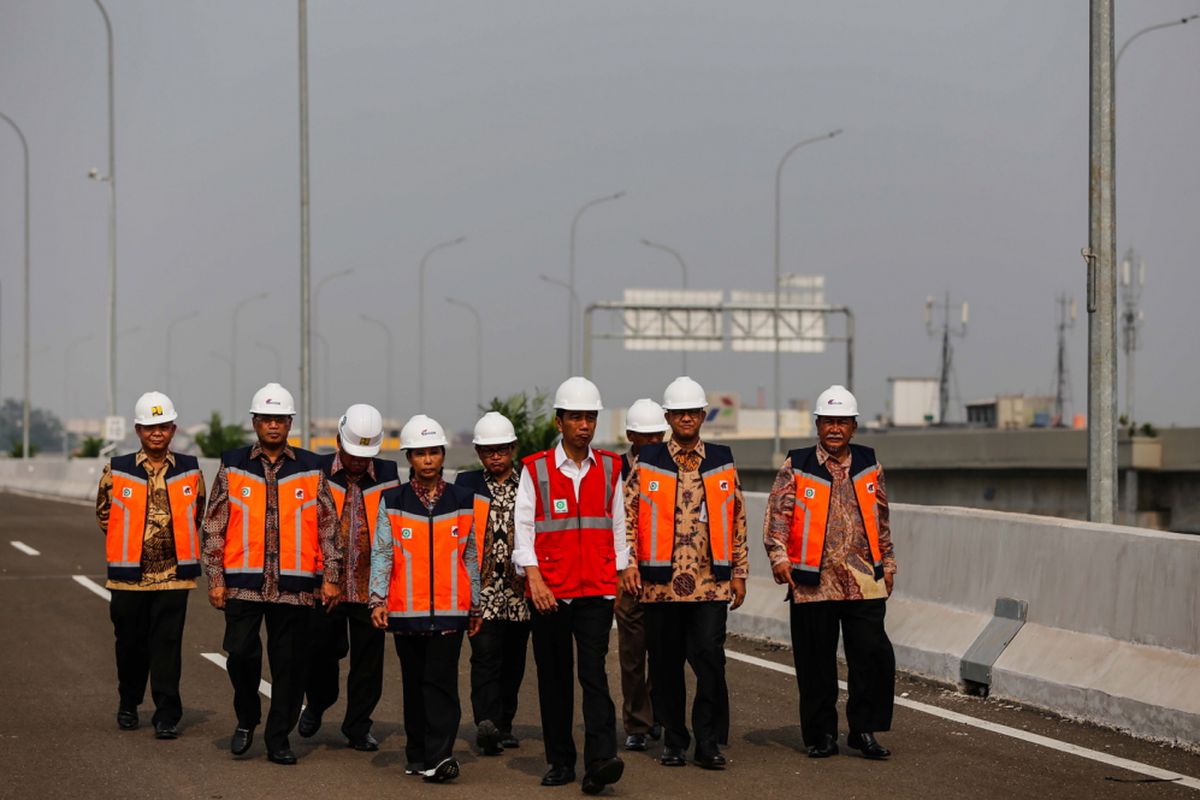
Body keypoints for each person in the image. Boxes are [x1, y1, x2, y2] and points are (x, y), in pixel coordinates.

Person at [201, 382, 340, 765]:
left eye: (280, 419)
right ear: (255, 422)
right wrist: (215, 578)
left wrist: (331, 576)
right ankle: (247, 718)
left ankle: (279, 737)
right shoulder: (233, 464)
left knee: (290, 668)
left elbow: (328, 526)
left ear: (290, 422)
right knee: (241, 655)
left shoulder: (312, 467)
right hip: (242, 584)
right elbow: (214, 525)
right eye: (266, 419)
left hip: (295, 587)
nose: (274, 426)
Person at [763, 384, 897, 760]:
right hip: (812, 582)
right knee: (815, 663)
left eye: (842, 422)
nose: (834, 429)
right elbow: (777, 517)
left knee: (872, 657)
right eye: (828, 422)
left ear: (854, 426)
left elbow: (881, 520)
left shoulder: (871, 465)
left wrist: (888, 563)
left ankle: (864, 730)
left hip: (863, 579)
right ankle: (821, 735)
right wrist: (779, 558)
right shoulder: (797, 465)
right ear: (817, 425)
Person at [623, 377, 748, 770]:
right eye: (680, 413)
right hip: (660, 584)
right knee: (665, 664)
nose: (687, 419)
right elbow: (627, 517)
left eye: (694, 412)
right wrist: (628, 563)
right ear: (668, 417)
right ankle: (675, 740)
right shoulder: (649, 461)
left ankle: (707, 741)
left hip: (711, 583)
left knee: (710, 659)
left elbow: (737, 517)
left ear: (702, 415)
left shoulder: (722, 460)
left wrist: (740, 571)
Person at [513, 376, 627, 794]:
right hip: (550, 594)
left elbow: (617, 526)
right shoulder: (535, 469)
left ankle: (600, 762)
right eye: (576, 417)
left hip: (595, 590)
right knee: (554, 679)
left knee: (594, 675)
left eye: (590, 417)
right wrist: (535, 580)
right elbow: (522, 530)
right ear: (559, 422)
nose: (584, 425)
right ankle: (560, 761)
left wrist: (618, 575)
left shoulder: (612, 468)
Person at [370, 414, 482, 783]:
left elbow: (470, 554)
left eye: (434, 452)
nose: (429, 460)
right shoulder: (393, 500)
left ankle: (439, 757)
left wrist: (476, 603)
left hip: (451, 611)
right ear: (409, 458)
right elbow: (383, 552)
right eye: (420, 454)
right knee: (414, 684)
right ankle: (417, 753)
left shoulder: (463, 500)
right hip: (406, 609)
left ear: (443, 455)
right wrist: (377, 599)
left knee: (441, 684)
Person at [96, 391, 205, 740]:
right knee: (129, 644)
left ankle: (167, 713)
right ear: (137, 430)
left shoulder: (190, 469)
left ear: (173, 429)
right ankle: (129, 703)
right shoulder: (117, 469)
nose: (156, 433)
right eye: (149, 428)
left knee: (167, 645)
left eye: (163, 427)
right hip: (129, 578)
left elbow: (197, 513)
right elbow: (104, 515)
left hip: (173, 577)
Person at [298, 404, 399, 751]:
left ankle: (358, 726)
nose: (359, 461)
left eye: (365, 455)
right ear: (339, 439)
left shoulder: (388, 473)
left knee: (369, 664)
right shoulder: (317, 469)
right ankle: (318, 703)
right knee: (321, 653)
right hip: (328, 584)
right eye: (353, 453)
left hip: (371, 586)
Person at [455, 411, 530, 755]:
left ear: (513, 448)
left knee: (513, 661)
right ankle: (486, 724)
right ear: (478, 452)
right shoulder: (466, 484)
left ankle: (505, 724)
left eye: (501, 449)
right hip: (481, 591)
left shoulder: (528, 483)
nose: (495, 456)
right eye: (488, 451)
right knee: (485, 658)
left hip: (518, 591)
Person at [615, 399, 667, 752]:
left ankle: (659, 715)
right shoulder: (612, 470)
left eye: (656, 437)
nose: (651, 443)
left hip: (663, 574)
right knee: (633, 655)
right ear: (631, 435)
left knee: (664, 651)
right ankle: (636, 723)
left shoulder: (673, 466)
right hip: (625, 576)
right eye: (644, 437)